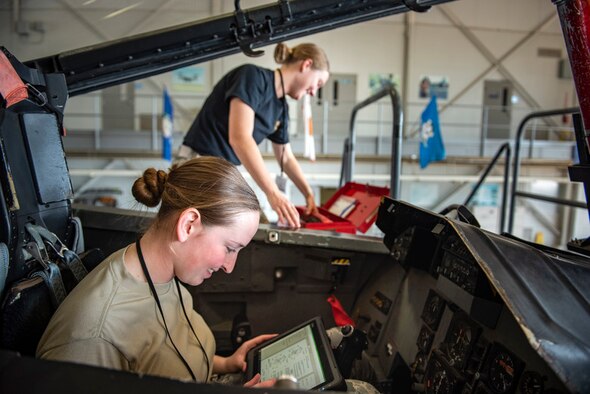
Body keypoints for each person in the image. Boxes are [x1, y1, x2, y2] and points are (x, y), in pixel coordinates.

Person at [36, 156, 276, 387]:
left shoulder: (162, 274)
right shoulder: (93, 337)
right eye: (230, 248)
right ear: (188, 225)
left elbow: (159, 362)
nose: (229, 266)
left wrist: (225, 364)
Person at [177, 42, 330, 228]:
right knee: (245, 226)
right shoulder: (252, 77)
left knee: (254, 224)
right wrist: (273, 193)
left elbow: (286, 157)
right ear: (306, 65)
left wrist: (308, 194)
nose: (314, 92)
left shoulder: (281, 108)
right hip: (198, 162)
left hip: (223, 170)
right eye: (318, 83)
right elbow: (240, 138)